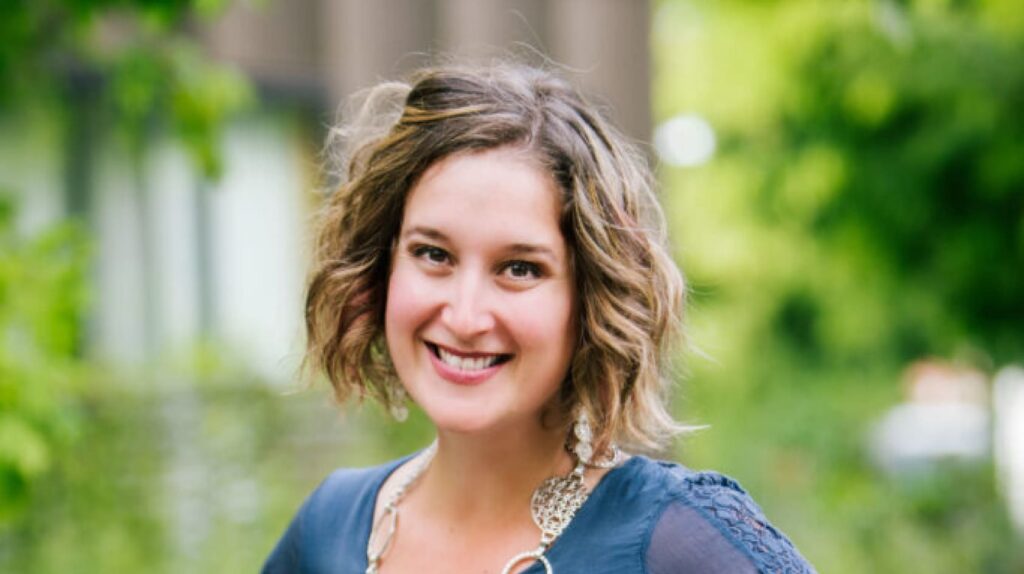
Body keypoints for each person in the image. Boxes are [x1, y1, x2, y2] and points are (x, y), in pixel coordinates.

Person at [263, 62, 815, 574]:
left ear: (591, 299)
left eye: (520, 268)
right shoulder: (327, 531)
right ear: (383, 266)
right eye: (433, 254)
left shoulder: (672, 540)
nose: (465, 314)